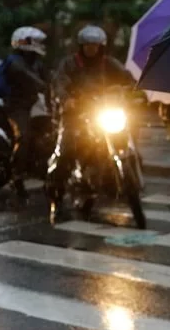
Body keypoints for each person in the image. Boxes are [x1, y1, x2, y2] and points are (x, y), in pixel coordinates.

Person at [48, 25, 135, 220]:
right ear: (81, 46)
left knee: (125, 133)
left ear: (101, 47)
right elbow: (59, 83)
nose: (91, 49)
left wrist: (136, 91)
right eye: (87, 46)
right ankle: (57, 193)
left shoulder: (108, 64)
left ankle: (119, 180)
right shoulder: (70, 64)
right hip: (76, 116)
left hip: (101, 112)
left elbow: (127, 78)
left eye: (95, 46)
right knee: (66, 150)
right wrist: (66, 99)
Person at [0, 27, 49, 201]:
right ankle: (16, 176)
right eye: (36, 41)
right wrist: (41, 85)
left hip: (34, 103)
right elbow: (26, 75)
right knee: (23, 136)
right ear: (24, 42)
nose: (40, 45)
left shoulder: (37, 62)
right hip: (17, 106)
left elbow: (50, 79)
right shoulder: (14, 61)